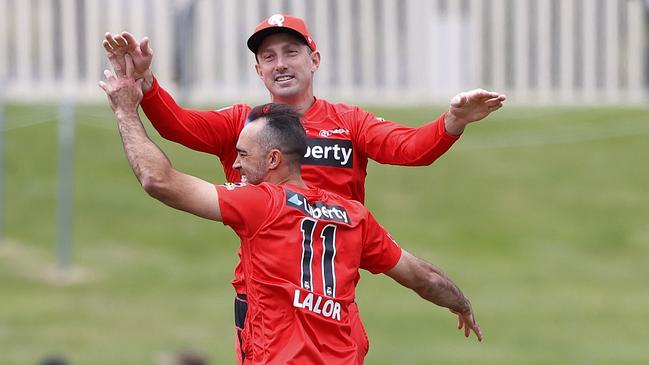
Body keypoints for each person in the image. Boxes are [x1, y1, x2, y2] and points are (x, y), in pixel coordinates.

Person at [103, 13, 504, 363]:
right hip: (273, 287)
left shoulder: (348, 123)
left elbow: (410, 148)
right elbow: (179, 126)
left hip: (332, 281)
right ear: (258, 69)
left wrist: (453, 122)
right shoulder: (246, 124)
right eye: (268, 56)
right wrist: (148, 83)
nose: (280, 64)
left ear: (314, 60)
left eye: (291, 52)